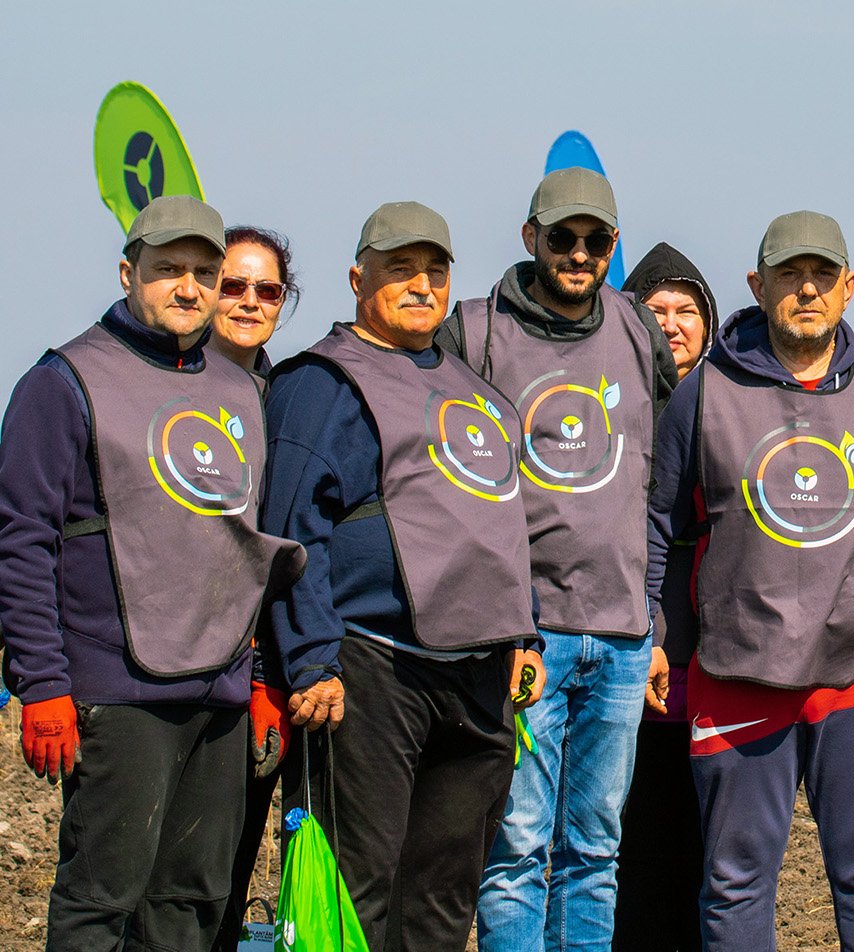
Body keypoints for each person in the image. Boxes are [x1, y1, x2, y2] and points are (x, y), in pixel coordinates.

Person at [648, 211, 854, 951]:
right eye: (790, 275)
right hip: (738, 672)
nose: (808, 290)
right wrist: (653, 637)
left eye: (823, 276)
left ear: (850, 288)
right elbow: (655, 524)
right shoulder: (706, 392)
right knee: (735, 879)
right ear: (758, 286)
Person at [0, 196, 303, 951]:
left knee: (191, 904)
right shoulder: (64, 381)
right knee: (101, 900)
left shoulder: (240, 390)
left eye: (206, 272)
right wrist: (43, 685)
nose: (190, 287)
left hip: (223, 696)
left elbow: (251, 546)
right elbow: (22, 539)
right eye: (169, 269)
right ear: (130, 271)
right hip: (117, 688)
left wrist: (262, 679)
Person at [262, 201, 544, 950]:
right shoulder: (323, 384)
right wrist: (311, 659)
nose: (422, 285)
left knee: (445, 895)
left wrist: (527, 634)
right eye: (400, 269)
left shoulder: (476, 391)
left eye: (436, 270)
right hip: (370, 667)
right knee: (359, 890)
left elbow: (504, 522)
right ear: (359, 278)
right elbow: (292, 534)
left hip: (480, 677)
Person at [445, 170, 665, 951]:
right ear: (531, 237)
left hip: (621, 638)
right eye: (563, 237)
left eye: (596, 239)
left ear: (613, 245)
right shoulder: (473, 332)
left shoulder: (639, 332)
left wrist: (654, 617)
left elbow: (655, 485)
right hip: (523, 640)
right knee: (515, 851)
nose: (579, 253)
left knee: (595, 852)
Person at [613, 239, 718, 952]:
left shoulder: (732, 406)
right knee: (629, 847)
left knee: (709, 855)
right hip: (629, 660)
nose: (673, 324)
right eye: (656, 310)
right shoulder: (610, 409)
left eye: (688, 311)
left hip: (716, 668)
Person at [207, 224, 301, 952]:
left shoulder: (288, 399)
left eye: (265, 289)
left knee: (227, 870)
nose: (247, 301)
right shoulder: (156, 389)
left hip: (259, 673)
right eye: (231, 285)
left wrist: (269, 675)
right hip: (159, 670)